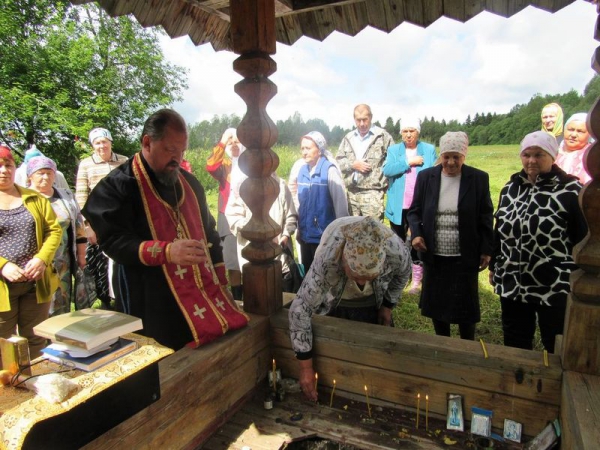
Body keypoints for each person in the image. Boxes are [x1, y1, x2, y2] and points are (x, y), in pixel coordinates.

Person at [82, 109, 249, 350]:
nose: (177, 159)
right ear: (147, 143)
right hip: (148, 293)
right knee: (160, 358)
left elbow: (210, 233)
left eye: (181, 152)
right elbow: (113, 242)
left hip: (197, 294)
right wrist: (167, 252)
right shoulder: (118, 187)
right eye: (170, 150)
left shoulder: (190, 184)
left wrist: (221, 282)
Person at [289, 216, 411, 401]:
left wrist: (387, 305)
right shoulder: (328, 258)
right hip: (337, 302)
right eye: (355, 275)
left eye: (368, 277)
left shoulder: (396, 251)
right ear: (344, 259)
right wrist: (305, 368)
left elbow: (403, 274)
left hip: (374, 299)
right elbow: (300, 310)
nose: (361, 282)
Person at [490, 131, 587, 352]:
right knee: (515, 341)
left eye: (539, 154)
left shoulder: (571, 190)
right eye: (527, 154)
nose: (532, 160)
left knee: (555, 341)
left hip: (554, 284)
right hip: (512, 281)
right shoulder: (510, 188)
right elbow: (500, 231)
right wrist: (495, 264)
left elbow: (581, 237)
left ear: (552, 156)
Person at [408, 131, 493, 340]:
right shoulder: (427, 177)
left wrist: (486, 249)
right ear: (441, 155)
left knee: (465, 306)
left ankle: (467, 345)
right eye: (447, 156)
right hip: (434, 253)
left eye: (457, 157)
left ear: (464, 156)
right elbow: (414, 211)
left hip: (465, 254)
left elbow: (486, 215)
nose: (451, 162)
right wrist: (417, 234)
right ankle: (442, 342)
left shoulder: (478, 178)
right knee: (438, 304)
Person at [0, 146, 62, 357]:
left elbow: (53, 230)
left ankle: (36, 383)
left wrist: (42, 259)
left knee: (36, 338)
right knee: (3, 344)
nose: (4, 170)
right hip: (2, 288)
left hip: (35, 283)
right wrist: (3, 265)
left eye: (8, 165)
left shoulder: (35, 198)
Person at [27, 156, 87, 316]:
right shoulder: (24, 198)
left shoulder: (66, 196)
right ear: (30, 176)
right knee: (37, 308)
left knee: (61, 302)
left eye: (49, 172)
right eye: (40, 173)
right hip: (34, 263)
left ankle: (59, 339)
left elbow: (79, 227)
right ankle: (38, 339)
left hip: (63, 262)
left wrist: (82, 256)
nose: (46, 177)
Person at [76, 127, 128, 309]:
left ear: (110, 142)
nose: (101, 146)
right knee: (101, 263)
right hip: (98, 220)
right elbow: (81, 197)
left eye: (104, 141)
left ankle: (124, 295)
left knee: (122, 257)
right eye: (97, 143)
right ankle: (106, 300)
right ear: (92, 145)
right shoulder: (86, 164)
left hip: (122, 220)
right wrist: (87, 226)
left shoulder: (123, 161)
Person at [383, 117, 437, 294]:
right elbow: (387, 170)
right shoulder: (394, 150)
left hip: (419, 205)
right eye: (405, 131)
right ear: (400, 133)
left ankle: (417, 279)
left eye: (411, 131)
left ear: (418, 132)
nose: (408, 135)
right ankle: (401, 276)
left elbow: (435, 174)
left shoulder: (428, 150)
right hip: (398, 206)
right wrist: (409, 162)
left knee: (418, 241)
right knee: (398, 243)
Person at [225, 172, 298, 292]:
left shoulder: (280, 185)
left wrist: (285, 235)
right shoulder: (242, 186)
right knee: (258, 291)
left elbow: (291, 215)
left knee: (282, 291)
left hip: (279, 252)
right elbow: (234, 218)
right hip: (252, 254)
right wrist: (257, 230)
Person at [297, 131, 349, 274]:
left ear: (319, 150)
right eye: (302, 148)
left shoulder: (329, 171)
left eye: (308, 148)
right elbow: (300, 203)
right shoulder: (302, 171)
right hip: (305, 235)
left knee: (323, 276)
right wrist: (298, 228)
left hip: (324, 237)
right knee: (308, 275)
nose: (304, 152)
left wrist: (341, 236)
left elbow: (340, 205)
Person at [336, 104, 394, 221]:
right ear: (354, 119)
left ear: (371, 117)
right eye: (358, 120)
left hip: (373, 194)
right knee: (352, 232)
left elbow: (393, 162)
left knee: (373, 233)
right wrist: (353, 165)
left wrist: (384, 183)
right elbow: (338, 161)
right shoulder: (348, 138)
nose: (362, 124)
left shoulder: (382, 136)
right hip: (352, 193)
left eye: (365, 119)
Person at [206, 128, 244, 299]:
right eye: (231, 142)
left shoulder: (249, 162)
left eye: (237, 141)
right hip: (228, 219)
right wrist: (222, 141)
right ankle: (238, 300)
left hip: (248, 216)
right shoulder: (224, 166)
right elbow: (210, 166)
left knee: (249, 259)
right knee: (233, 263)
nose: (234, 145)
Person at [555, 113, 592, 184]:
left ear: (589, 134)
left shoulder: (593, 156)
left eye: (580, 131)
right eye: (571, 130)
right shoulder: (553, 153)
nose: (574, 135)